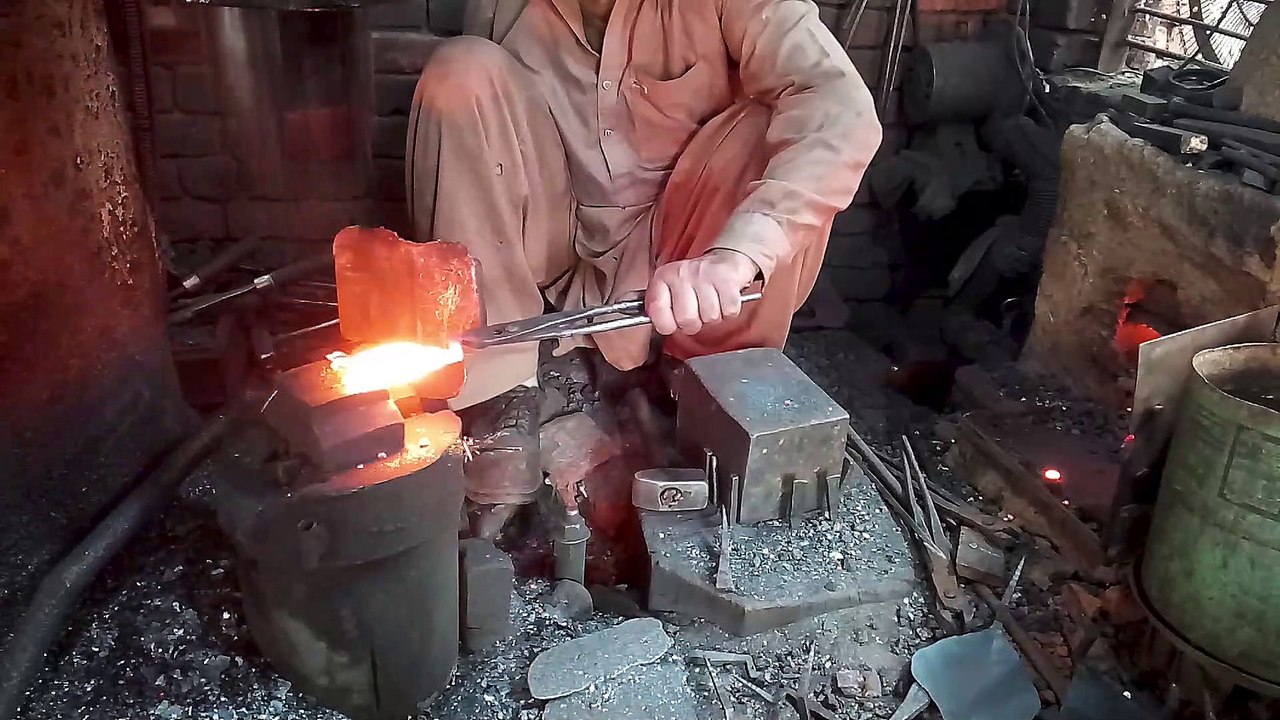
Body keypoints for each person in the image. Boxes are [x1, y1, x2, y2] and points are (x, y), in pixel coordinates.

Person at [407, 0, 882, 537]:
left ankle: (707, 392)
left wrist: (737, 256)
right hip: (564, 254)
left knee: (773, 122)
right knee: (462, 72)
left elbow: (840, 106)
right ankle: (501, 392)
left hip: (690, 255)